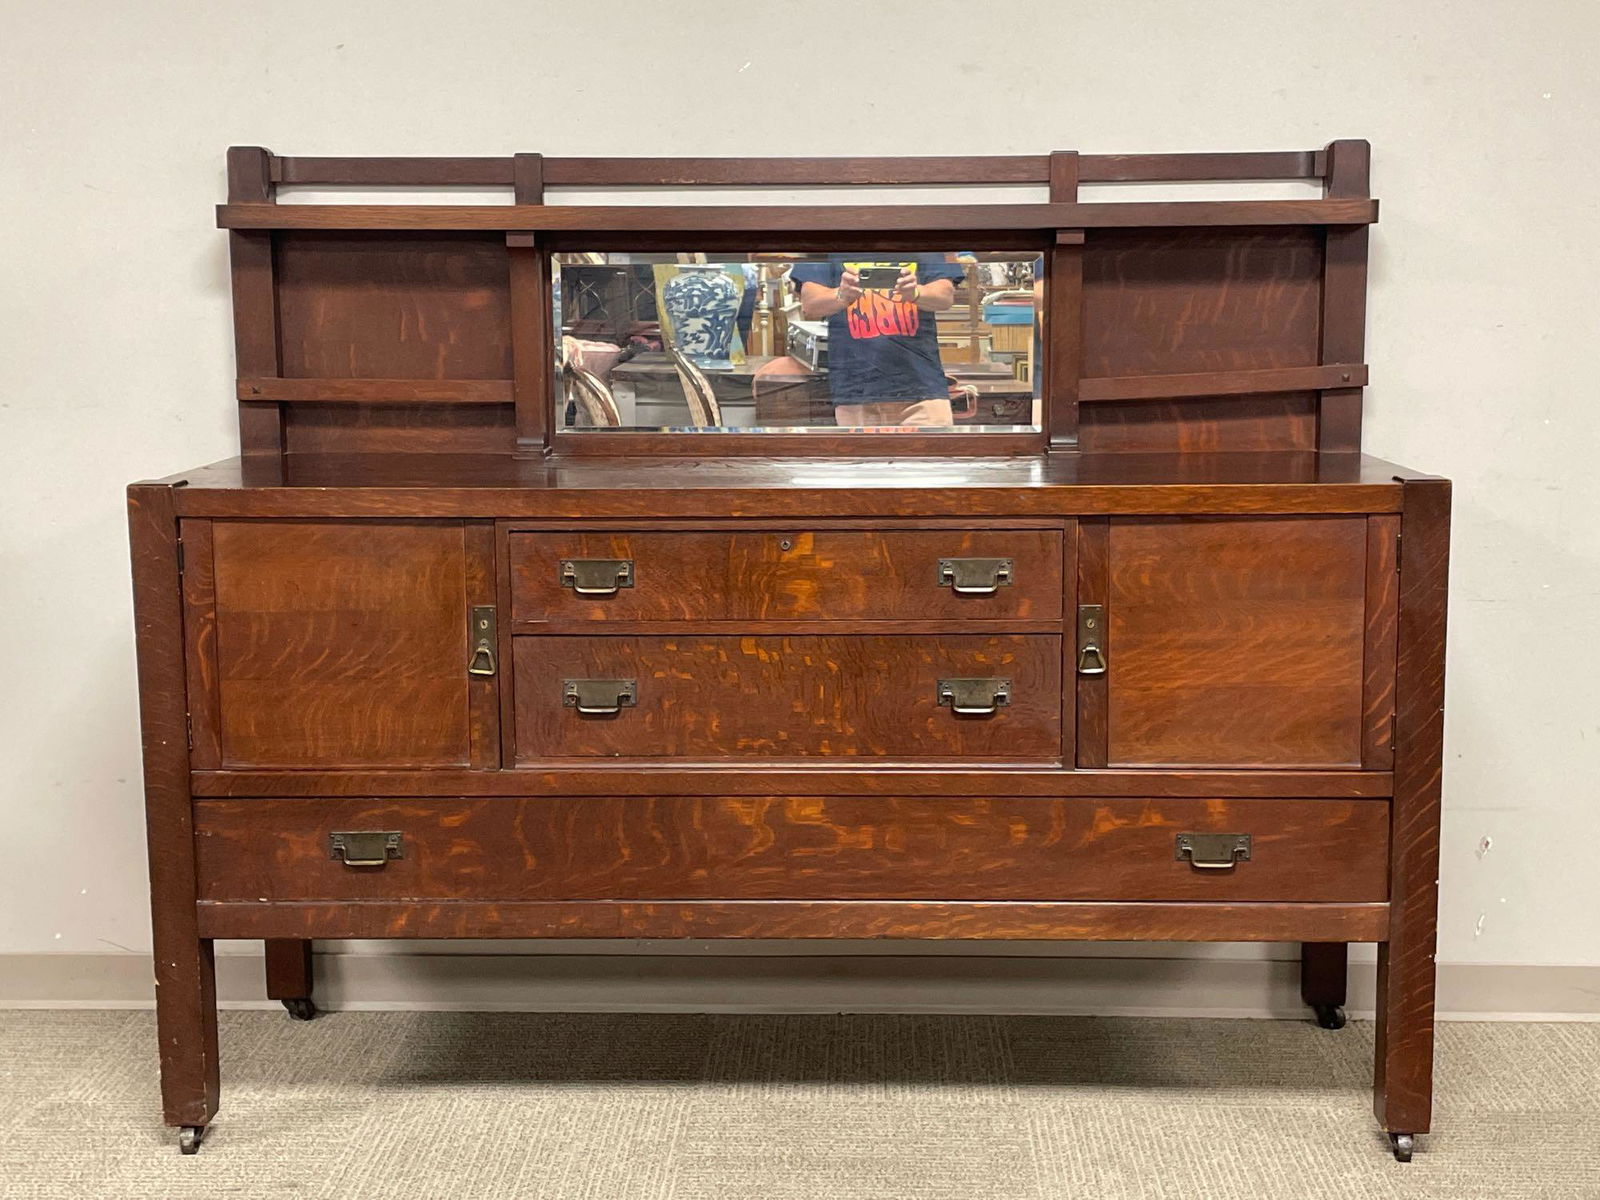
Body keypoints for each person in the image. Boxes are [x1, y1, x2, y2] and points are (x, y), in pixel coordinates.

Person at [789, 255, 962, 427]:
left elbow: (945, 296)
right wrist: (841, 295)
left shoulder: (921, 234)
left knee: (930, 452)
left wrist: (916, 292)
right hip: (856, 391)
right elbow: (810, 303)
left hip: (922, 389)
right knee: (865, 454)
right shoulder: (827, 238)